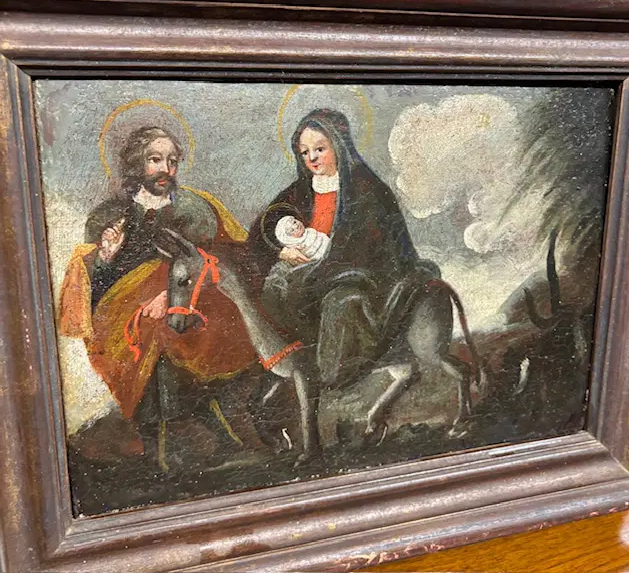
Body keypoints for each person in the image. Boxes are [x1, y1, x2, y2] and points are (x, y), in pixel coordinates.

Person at [58, 125, 254, 461]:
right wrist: (106, 258)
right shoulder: (110, 216)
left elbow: (223, 259)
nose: (166, 169)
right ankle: (164, 444)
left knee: (195, 327)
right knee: (153, 331)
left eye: (172, 161)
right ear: (137, 164)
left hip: (192, 297)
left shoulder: (197, 208)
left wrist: (171, 296)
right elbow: (94, 289)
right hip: (125, 309)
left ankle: (206, 430)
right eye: (155, 160)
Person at [248, 109, 424, 387]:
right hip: (313, 269)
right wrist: (282, 251)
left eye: (320, 149)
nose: (312, 158)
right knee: (272, 288)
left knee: (335, 301)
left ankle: (334, 375)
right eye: (305, 152)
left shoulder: (366, 189)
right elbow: (261, 229)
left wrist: (314, 269)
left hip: (361, 277)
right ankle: (299, 358)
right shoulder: (302, 189)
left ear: (339, 146)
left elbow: (363, 251)